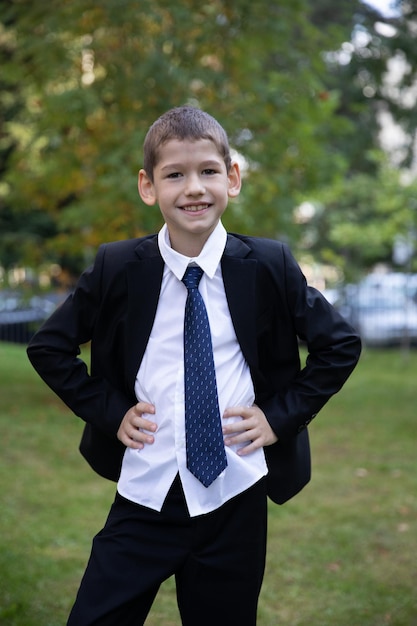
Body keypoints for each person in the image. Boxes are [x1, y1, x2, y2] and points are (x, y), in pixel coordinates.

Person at [27, 105, 361, 626]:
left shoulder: (268, 265)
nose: (194, 188)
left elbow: (339, 345)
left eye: (208, 171)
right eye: (174, 175)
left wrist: (279, 417)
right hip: (146, 492)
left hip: (235, 496)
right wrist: (110, 411)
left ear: (232, 177)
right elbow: (49, 347)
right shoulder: (118, 267)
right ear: (147, 186)